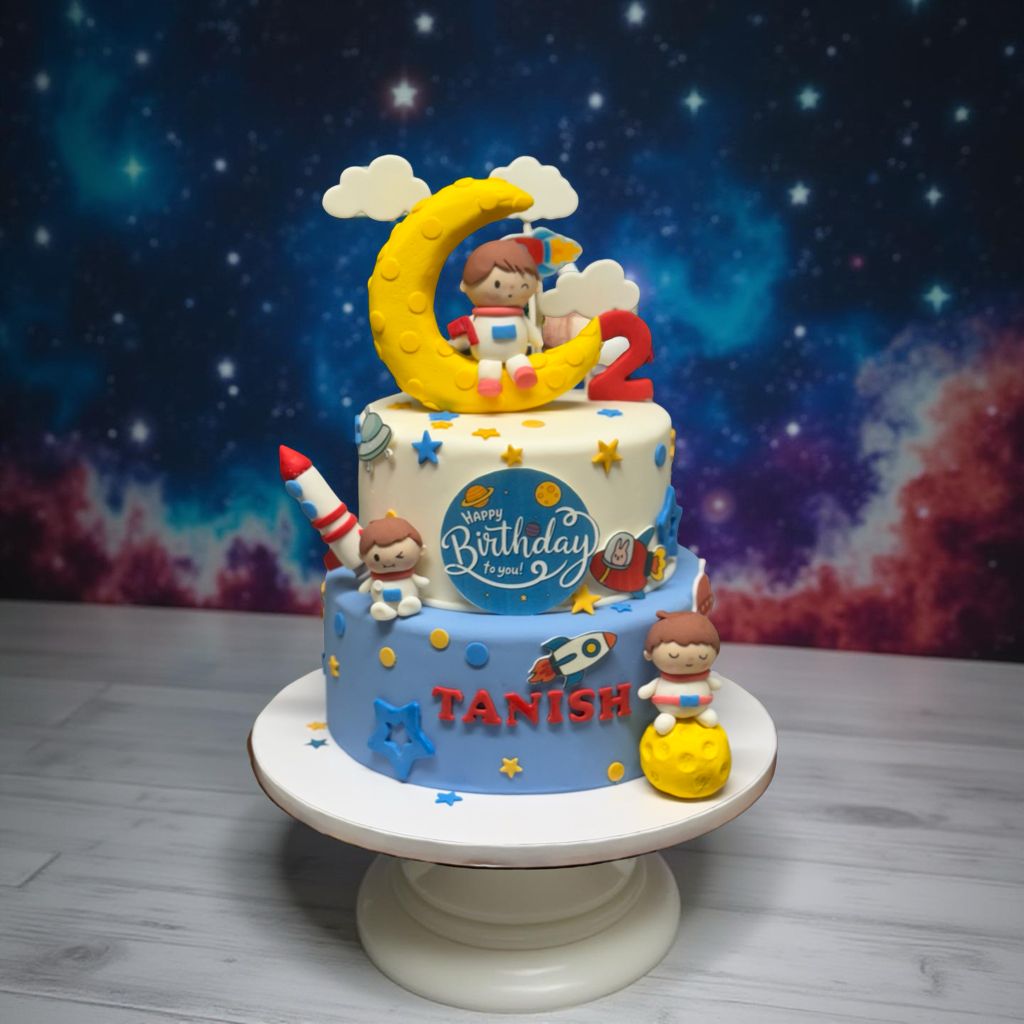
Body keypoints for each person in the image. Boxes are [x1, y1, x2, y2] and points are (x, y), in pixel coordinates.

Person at [447, 239, 543, 396]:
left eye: (523, 286)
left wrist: (536, 339)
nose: (510, 291)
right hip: (487, 356)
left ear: (535, 286)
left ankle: (523, 374)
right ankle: (489, 384)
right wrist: (455, 344)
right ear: (465, 285)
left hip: (516, 353)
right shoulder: (475, 320)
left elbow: (531, 331)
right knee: (488, 365)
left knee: (519, 361)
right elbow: (464, 335)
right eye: (497, 284)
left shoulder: (520, 319)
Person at [637, 611, 723, 735]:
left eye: (702, 656)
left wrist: (714, 682)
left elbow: (716, 685)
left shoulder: (703, 677)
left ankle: (702, 714)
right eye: (674, 655)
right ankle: (667, 718)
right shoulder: (662, 680)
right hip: (669, 710)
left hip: (700, 708)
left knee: (710, 720)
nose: (690, 661)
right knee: (663, 724)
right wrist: (647, 690)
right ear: (648, 655)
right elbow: (644, 692)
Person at [357, 516, 429, 621]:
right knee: (380, 607)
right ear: (362, 557)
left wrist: (421, 581)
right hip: (382, 601)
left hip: (406, 598)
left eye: (400, 556)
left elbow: (420, 581)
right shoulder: (375, 577)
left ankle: (409, 604)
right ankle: (382, 609)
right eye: (377, 558)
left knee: (410, 601)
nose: (388, 562)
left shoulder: (408, 575)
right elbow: (363, 589)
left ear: (421, 551)